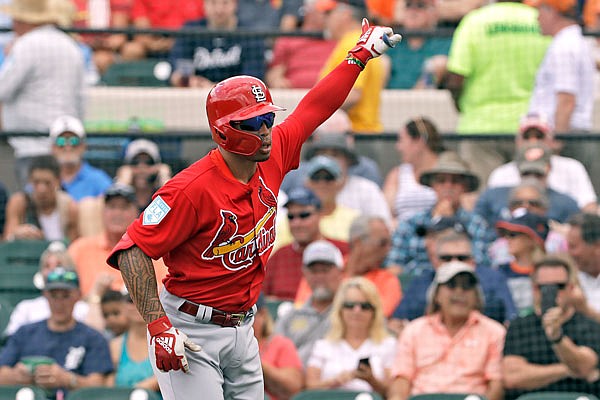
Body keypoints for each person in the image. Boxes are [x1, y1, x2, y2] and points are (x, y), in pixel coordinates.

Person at [105, 20, 401, 399]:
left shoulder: (273, 152)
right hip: (192, 327)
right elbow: (132, 250)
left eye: (267, 118)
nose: (265, 130)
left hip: (244, 328)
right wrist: (158, 325)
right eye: (252, 123)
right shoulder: (190, 189)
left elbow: (316, 106)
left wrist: (358, 56)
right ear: (223, 131)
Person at [444, 0, 550, 184]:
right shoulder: (539, 20)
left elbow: (456, 77)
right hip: (531, 126)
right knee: (531, 193)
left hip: (480, 127)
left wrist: (461, 106)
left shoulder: (475, 22)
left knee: (484, 199)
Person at [387, 261, 506, 400]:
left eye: (467, 286)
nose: (459, 292)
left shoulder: (494, 332)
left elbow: (495, 384)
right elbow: (401, 379)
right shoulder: (414, 330)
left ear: (476, 296)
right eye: (451, 285)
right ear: (436, 295)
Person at [0, 0, 84, 189]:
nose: (13, 23)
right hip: (66, 145)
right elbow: (81, 99)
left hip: (31, 146)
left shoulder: (26, 44)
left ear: (25, 20)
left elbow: (2, 88)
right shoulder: (71, 45)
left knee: (34, 207)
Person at [0, 267, 113, 399]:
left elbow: (99, 386)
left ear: (77, 296)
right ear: (45, 296)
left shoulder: (93, 338)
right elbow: (2, 372)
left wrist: (67, 379)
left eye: (65, 296)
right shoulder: (25, 333)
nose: (59, 303)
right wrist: (17, 375)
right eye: (54, 296)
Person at [502, 254, 600, 399]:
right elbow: (513, 377)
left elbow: (585, 365)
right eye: (544, 287)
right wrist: (567, 369)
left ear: (570, 288)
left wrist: (557, 338)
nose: (553, 293)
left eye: (559, 286)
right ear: (534, 289)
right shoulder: (519, 326)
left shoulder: (588, 324)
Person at [388, 228, 517, 335]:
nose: (454, 263)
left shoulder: (493, 279)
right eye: (447, 258)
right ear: (435, 262)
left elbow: (510, 320)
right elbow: (396, 323)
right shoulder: (421, 283)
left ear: (472, 261)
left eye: (462, 258)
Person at [386, 151, 492, 275]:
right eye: (441, 181)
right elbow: (393, 266)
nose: (448, 186)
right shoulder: (411, 224)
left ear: (465, 186)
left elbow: (482, 264)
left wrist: (449, 226)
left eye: (455, 181)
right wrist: (436, 224)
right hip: (417, 286)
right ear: (433, 185)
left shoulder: (477, 224)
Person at [69, 183, 168, 298]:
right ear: (103, 212)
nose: (117, 213)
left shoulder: (153, 251)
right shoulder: (80, 249)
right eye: (112, 207)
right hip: (90, 311)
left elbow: (163, 292)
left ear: (136, 212)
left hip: (138, 313)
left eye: (124, 207)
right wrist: (95, 295)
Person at [487, 112, 598, 212]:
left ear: (552, 140)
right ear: (517, 141)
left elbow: (589, 206)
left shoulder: (573, 168)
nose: (533, 142)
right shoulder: (500, 174)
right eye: (527, 137)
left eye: (539, 136)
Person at [294, 215, 402, 317]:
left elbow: (377, 318)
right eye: (383, 243)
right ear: (358, 243)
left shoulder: (387, 281)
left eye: (390, 243)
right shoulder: (323, 269)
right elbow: (302, 307)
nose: (388, 250)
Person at [305, 277, 396, 397]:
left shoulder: (388, 344)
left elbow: (394, 393)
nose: (357, 311)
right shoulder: (323, 345)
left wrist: (371, 380)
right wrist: (335, 381)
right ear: (339, 310)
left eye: (365, 306)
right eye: (350, 305)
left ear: (374, 311)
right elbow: (309, 388)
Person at [475, 144, 579, 240]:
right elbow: (477, 227)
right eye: (527, 174)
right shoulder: (493, 196)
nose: (532, 179)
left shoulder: (566, 203)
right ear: (518, 170)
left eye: (538, 174)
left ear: (549, 169)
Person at [263, 186, 349, 301]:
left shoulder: (342, 251)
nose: (296, 223)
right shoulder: (279, 256)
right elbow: (262, 298)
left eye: (304, 216)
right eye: (291, 217)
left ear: (320, 214)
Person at [319, 0, 387, 134]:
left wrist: (317, 109)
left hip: (354, 135)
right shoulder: (362, 42)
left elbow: (354, 94)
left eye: (329, 13)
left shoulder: (354, 43)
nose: (325, 19)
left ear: (345, 14)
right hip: (364, 134)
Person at [275, 240, 345, 366]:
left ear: (340, 272)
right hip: (294, 381)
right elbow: (276, 356)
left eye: (325, 270)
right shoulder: (290, 317)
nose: (319, 276)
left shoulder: (352, 311)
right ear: (305, 274)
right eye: (314, 271)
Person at [528, 0, 594, 134]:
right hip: (570, 132)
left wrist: (558, 139)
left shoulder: (564, 46)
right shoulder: (572, 40)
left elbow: (567, 100)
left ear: (551, 11)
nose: (537, 18)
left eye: (539, 11)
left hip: (565, 134)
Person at [168, 0, 266, 88]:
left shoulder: (250, 35)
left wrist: (215, 88)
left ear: (235, 4)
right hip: (197, 95)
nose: (219, 10)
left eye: (225, 3)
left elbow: (252, 80)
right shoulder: (190, 31)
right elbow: (179, 73)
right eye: (213, 3)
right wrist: (190, 81)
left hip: (238, 99)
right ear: (204, 5)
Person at [280, 109, 383, 191]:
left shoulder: (366, 171)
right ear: (317, 139)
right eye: (324, 152)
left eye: (336, 154)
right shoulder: (295, 174)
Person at [3, 241, 91, 337]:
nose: (52, 271)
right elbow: (11, 340)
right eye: (47, 266)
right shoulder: (26, 308)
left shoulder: (83, 309)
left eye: (59, 265)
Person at [383, 117, 444, 226]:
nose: (398, 147)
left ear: (419, 141)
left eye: (401, 140)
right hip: (402, 237)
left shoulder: (448, 172)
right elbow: (385, 213)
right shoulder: (396, 175)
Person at [4, 155, 79, 242]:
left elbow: (74, 245)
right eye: (36, 182)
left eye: (47, 183)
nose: (42, 189)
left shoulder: (69, 208)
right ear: (30, 180)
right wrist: (16, 234)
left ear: (58, 181)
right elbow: (7, 239)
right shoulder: (19, 203)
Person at [266, 0, 337, 89]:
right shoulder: (289, 39)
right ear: (309, 12)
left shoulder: (339, 39)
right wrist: (277, 81)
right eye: (325, 12)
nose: (329, 16)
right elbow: (275, 71)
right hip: (293, 94)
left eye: (331, 12)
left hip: (328, 93)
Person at [386, 0, 451, 89]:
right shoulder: (393, 40)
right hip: (389, 98)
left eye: (420, 6)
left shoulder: (442, 41)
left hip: (425, 100)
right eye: (408, 5)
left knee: (437, 64)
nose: (413, 11)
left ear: (434, 13)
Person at [496, 210, 549, 315]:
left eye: (513, 234)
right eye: (505, 234)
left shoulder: (548, 272)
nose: (507, 239)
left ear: (532, 239)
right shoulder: (500, 271)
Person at [50, 115, 112, 202]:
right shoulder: (45, 179)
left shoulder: (98, 179)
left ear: (83, 146)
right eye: (61, 141)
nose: (68, 147)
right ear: (53, 148)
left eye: (74, 141)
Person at [253, 293, 304, 400]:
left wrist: (256, 362)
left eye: (247, 315)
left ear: (262, 314)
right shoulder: (226, 344)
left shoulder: (280, 344)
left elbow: (293, 387)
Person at [118, 0, 204, 61]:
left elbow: (202, 25)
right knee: (132, 50)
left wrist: (178, 43)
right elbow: (141, 28)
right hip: (155, 42)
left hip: (187, 44)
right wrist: (154, 44)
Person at [107, 293, 159, 392]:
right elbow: (109, 387)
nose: (138, 304)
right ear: (122, 307)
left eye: (145, 300)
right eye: (131, 300)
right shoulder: (115, 346)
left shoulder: (165, 341)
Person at [115, 138, 172, 213]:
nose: (142, 168)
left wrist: (164, 177)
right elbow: (115, 211)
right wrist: (123, 182)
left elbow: (175, 207)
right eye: (135, 163)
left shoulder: (161, 194)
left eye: (149, 163)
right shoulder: (122, 185)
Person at [565, 213, 600, 322]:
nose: (569, 253)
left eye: (573, 247)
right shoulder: (565, 280)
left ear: (597, 246)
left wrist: (585, 310)